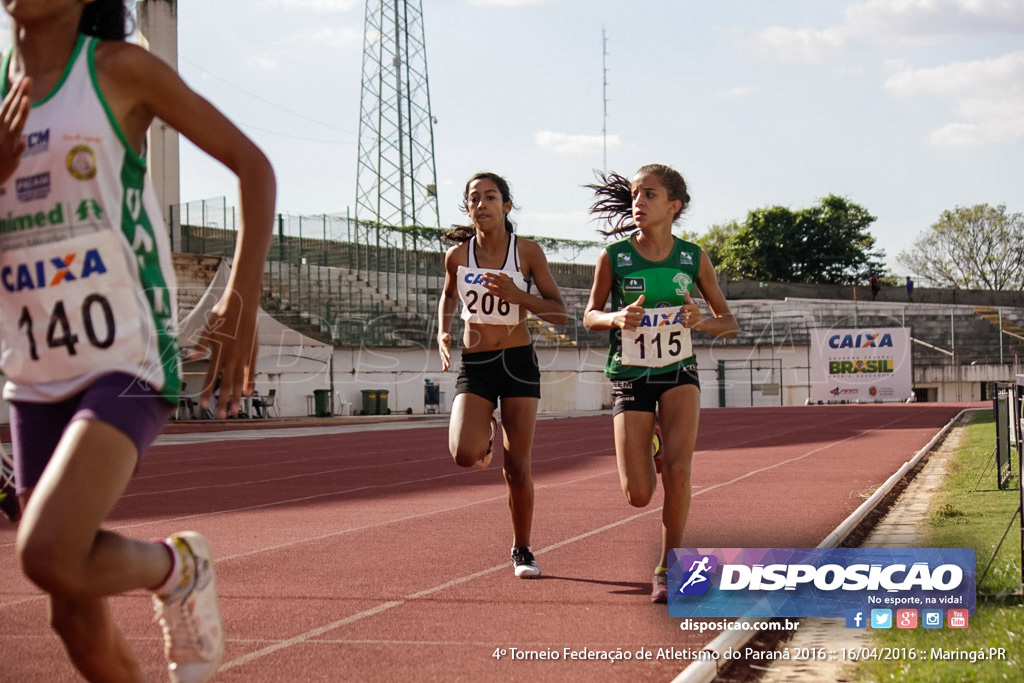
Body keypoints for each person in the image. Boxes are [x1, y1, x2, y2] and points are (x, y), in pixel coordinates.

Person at [0, 2, 275, 681]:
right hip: (33, 369)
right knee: (73, 616)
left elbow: (253, 165)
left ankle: (179, 566)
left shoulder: (119, 71)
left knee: (48, 552)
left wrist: (240, 302)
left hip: (126, 354)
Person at [583, 164, 738, 603]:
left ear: (674, 206)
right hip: (630, 376)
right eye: (634, 195)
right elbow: (589, 315)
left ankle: (669, 567)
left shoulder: (693, 258)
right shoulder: (614, 257)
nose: (638, 202)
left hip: (678, 373)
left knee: (680, 469)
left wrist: (701, 322)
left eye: (649, 195)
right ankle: (650, 448)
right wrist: (615, 317)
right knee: (638, 495)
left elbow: (730, 324)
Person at [437, 172, 567, 578]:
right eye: (474, 198)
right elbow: (447, 294)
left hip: (517, 362)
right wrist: (442, 330)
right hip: (475, 364)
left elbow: (559, 312)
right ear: (467, 208)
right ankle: (485, 433)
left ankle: (522, 548)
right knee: (463, 454)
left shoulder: (526, 253)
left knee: (517, 468)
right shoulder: (458, 257)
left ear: (506, 206)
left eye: (490, 197)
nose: (481, 204)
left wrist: (519, 296)